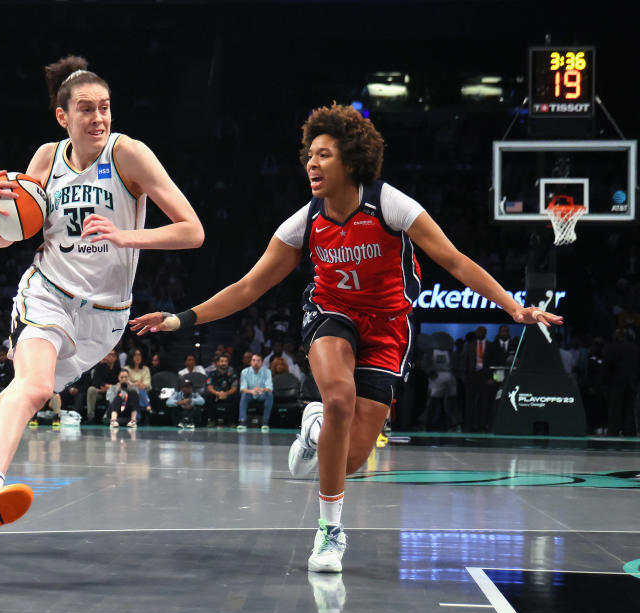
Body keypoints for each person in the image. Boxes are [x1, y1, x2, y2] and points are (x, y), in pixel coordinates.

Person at [131, 103, 560, 573]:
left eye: (324, 155)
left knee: (351, 460)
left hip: (389, 327)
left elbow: (455, 261)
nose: (312, 164)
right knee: (338, 396)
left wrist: (512, 305)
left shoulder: (391, 205)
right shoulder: (305, 221)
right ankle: (330, 532)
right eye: (309, 155)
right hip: (332, 314)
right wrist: (180, 320)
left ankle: (314, 431)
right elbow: (249, 287)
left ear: (352, 162)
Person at [0, 55, 204, 551]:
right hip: (47, 294)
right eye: (86, 109)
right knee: (34, 387)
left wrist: (128, 237)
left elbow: (193, 231)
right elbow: (3, 238)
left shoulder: (130, 155)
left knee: (19, 395)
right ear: (63, 117)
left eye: (104, 108)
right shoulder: (46, 159)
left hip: (105, 318)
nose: (99, 118)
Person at [239, 354, 273, 429]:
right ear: (250, 362)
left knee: (269, 395)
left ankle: (265, 421)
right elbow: (242, 388)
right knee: (244, 395)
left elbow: (269, 387)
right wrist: (251, 391)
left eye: (258, 360)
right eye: (253, 360)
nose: (256, 362)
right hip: (250, 394)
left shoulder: (267, 372)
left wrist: (261, 389)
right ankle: (242, 421)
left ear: (262, 362)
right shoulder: (244, 372)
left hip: (262, 394)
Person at [107, 369, 139, 434]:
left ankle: (133, 420)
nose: (124, 379)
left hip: (128, 411)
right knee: (119, 395)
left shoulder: (133, 388)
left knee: (133, 392)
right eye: (122, 377)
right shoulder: (113, 388)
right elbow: (110, 402)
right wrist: (118, 391)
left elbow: (136, 401)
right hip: (115, 411)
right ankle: (113, 421)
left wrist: (130, 388)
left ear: (128, 378)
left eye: (126, 377)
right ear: (118, 378)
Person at [124, 348, 152, 416]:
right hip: (130, 391)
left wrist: (138, 384)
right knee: (136, 390)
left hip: (144, 389)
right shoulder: (126, 369)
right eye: (135, 355)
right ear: (131, 357)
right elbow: (126, 382)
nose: (138, 357)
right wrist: (135, 384)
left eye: (139, 355)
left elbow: (147, 383)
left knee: (140, 390)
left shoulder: (145, 369)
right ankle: (146, 405)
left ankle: (136, 418)